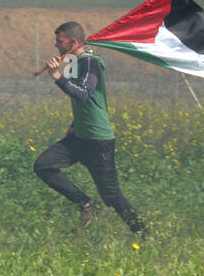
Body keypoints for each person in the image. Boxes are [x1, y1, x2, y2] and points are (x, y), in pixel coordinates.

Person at [33, 21, 147, 235]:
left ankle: (142, 232)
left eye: (60, 41)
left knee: (112, 196)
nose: (56, 45)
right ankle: (86, 204)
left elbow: (84, 93)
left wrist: (57, 76)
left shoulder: (91, 63)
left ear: (74, 42)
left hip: (97, 140)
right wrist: (74, 124)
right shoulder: (76, 62)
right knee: (43, 165)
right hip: (79, 137)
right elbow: (83, 99)